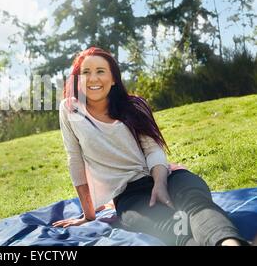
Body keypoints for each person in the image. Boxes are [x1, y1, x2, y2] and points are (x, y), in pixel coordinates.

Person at [52, 47, 250, 246]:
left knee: (197, 206)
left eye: (100, 71)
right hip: (129, 197)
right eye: (86, 72)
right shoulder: (70, 110)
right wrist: (88, 215)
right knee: (173, 228)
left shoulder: (134, 105)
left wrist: (160, 185)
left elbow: (153, 150)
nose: (93, 78)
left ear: (113, 79)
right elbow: (74, 159)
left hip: (167, 177)